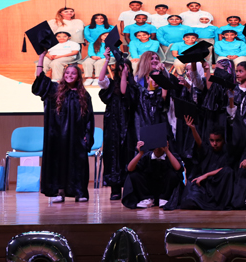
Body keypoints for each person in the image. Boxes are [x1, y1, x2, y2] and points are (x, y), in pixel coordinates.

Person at [33, 54, 94, 203]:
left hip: (76, 137)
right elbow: (40, 79)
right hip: (57, 136)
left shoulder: (84, 95)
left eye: (73, 73)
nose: (69, 75)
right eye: (67, 73)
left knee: (78, 164)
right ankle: (59, 192)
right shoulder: (54, 90)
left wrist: (87, 135)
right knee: (58, 163)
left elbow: (89, 119)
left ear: (78, 77)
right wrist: (41, 58)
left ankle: (80, 192)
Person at [97, 50, 138, 201]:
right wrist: (106, 61)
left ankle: (127, 187)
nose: (122, 71)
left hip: (128, 125)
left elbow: (123, 91)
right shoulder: (110, 84)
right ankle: (115, 189)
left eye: (125, 69)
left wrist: (125, 75)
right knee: (113, 155)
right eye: (120, 69)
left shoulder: (133, 87)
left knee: (127, 154)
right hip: (112, 126)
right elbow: (101, 80)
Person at [171, 119, 236, 210]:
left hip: (218, 187)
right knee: (189, 200)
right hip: (205, 186)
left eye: (218, 140)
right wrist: (193, 129)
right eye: (212, 140)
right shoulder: (207, 150)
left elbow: (226, 169)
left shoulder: (227, 152)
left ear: (223, 140)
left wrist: (206, 175)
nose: (214, 144)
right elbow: (199, 142)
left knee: (228, 171)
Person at [122, 140, 184, 209]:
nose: (157, 149)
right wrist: (140, 153)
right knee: (133, 175)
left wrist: (167, 150)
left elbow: (178, 168)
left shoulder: (171, 156)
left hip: (165, 190)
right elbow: (130, 169)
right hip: (149, 189)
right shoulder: (146, 157)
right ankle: (146, 199)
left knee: (173, 174)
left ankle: (164, 199)